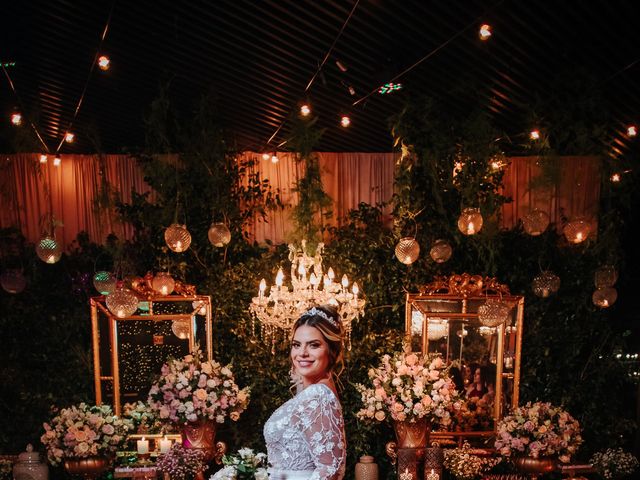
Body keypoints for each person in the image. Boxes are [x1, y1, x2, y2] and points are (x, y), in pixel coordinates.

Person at [264, 305, 347, 480]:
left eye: (314, 345)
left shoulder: (318, 395)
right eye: (296, 345)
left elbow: (329, 469)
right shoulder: (313, 392)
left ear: (330, 351)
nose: (302, 353)